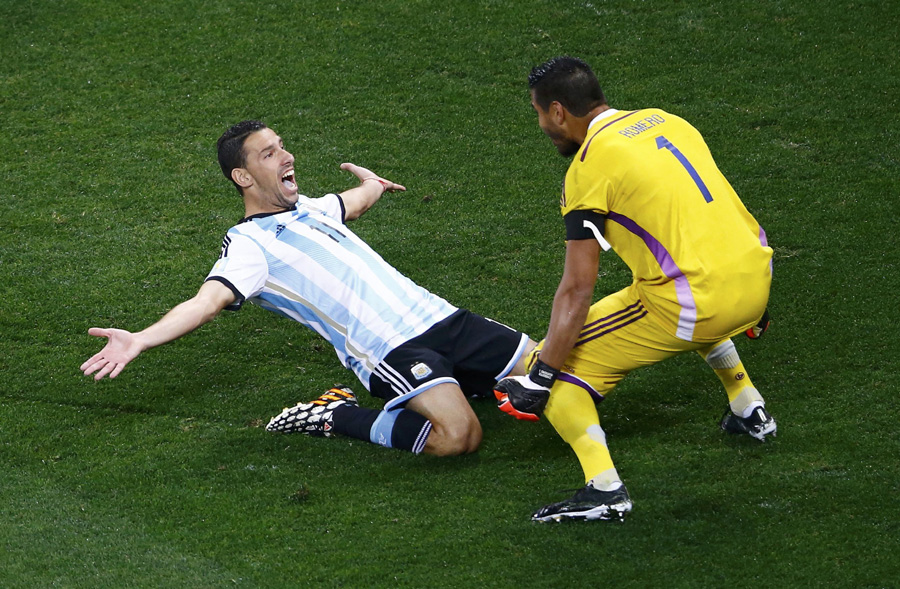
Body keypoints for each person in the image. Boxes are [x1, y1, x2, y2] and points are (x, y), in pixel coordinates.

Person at [81, 120, 534, 457]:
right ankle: (336, 415)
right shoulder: (248, 246)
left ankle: (471, 381)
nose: (286, 157)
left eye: (282, 147)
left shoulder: (313, 208)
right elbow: (206, 302)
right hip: (390, 349)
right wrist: (140, 338)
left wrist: (372, 184)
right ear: (243, 177)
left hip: (442, 317)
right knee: (459, 437)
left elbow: (352, 203)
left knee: (554, 370)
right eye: (269, 154)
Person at [493, 57, 776, 522]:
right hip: (755, 279)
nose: (542, 124)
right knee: (656, 281)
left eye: (539, 113)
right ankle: (749, 407)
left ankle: (604, 490)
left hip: (697, 305)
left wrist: (540, 375)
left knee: (554, 364)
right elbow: (724, 208)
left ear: (558, 111)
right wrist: (752, 303)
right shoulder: (667, 121)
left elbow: (577, 290)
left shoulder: (588, 167)